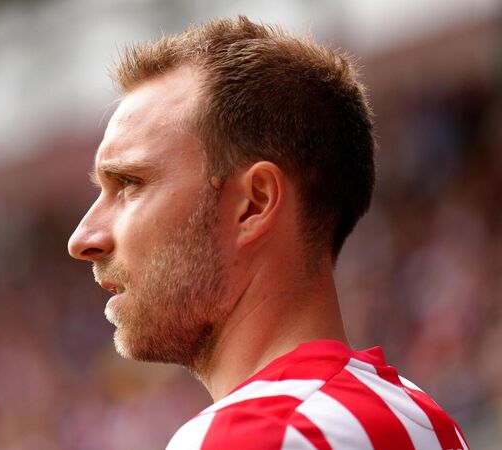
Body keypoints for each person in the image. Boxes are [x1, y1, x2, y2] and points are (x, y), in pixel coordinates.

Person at [67, 16, 469, 450]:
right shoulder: (425, 421)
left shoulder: (248, 435)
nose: (83, 238)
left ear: (254, 203)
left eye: (129, 184)